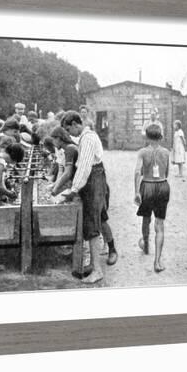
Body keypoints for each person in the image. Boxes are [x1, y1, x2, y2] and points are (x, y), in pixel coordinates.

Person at [61, 111, 117, 283]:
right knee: (99, 218)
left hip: (93, 180)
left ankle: (97, 270)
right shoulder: (85, 137)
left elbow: (84, 167)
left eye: (69, 129)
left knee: (92, 225)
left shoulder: (88, 138)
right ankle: (97, 261)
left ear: (76, 124)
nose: (69, 134)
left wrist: (73, 190)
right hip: (95, 179)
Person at [134, 124, 171, 273]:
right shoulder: (166, 152)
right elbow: (167, 172)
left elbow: (137, 172)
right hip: (162, 186)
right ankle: (157, 261)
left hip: (147, 186)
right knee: (159, 224)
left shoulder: (142, 152)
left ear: (147, 137)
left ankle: (146, 245)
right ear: (160, 136)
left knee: (145, 218)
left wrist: (136, 192)